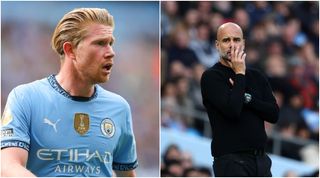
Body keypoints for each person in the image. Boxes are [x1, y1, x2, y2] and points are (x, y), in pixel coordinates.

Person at [1, 8, 138, 177]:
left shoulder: (119, 107)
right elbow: (7, 166)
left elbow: (127, 175)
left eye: (111, 43)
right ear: (70, 50)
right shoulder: (25, 98)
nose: (111, 52)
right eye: (100, 43)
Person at [200, 22, 279, 176]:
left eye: (236, 40)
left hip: (261, 160)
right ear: (217, 45)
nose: (232, 45)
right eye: (226, 40)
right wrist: (240, 74)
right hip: (231, 160)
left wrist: (247, 99)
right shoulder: (211, 76)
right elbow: (233, 110)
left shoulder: (257, 76)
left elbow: (274, 114)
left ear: (243, 43)